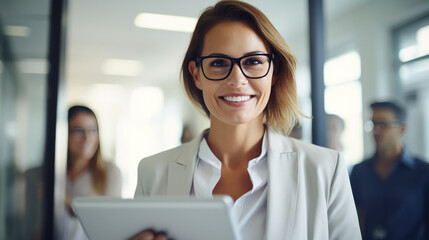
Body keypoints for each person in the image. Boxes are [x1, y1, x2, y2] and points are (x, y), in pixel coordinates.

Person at [133, 1, 361, 239]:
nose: (237, 79)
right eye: (219, 63)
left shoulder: (326, 169)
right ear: (197, 74)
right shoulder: (153, 172)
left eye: (253, 62)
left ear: (274, 72)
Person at [349, 101, 429, 240]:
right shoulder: (359, 171)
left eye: (383, 125)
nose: (376, 131)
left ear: (402, 129)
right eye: (373, 124)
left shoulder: (423, 172)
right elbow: (356, 217)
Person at [59, 105, 122, 240]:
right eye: (79, 130)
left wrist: (67, 201)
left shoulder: (111, 172)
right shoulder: (54, 172)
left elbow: (110, 222)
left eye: (93, 130)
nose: (87, 137)